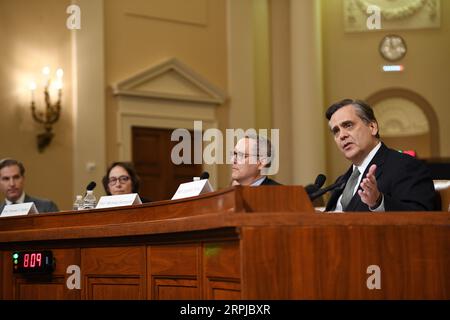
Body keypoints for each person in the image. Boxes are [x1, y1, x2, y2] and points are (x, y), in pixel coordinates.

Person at [324, 99, 436, 212]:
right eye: (336, 131)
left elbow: (420, 217)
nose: (342, 135)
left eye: (348, 125)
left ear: (372, 127)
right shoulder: (341, 182)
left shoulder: (406, 166)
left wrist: (378, 202)